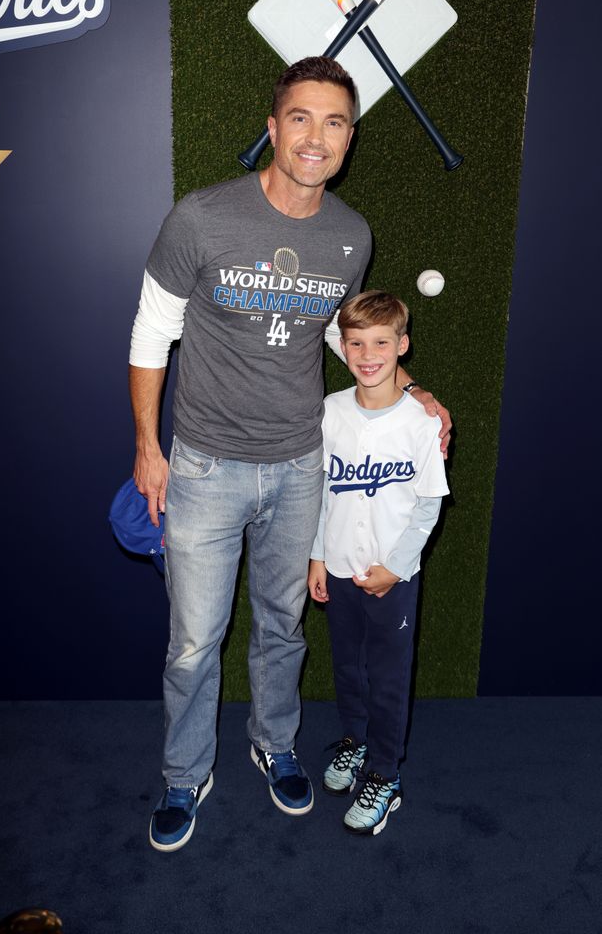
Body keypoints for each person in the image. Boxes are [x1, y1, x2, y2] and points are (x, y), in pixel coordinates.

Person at [128, 56, 450, 852]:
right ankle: (184, 773)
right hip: (204, 465)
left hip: (302, 465)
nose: (316, 137)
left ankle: (273, 744)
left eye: (334, 122)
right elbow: (151, 334)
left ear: (350, 138)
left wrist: (414, 390)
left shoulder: (351, 236)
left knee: (283, 625)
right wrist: (147, 447)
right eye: (300, 118)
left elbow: (351, 341)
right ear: (273, 128)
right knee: (195, 640)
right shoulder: (202, 217)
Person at [307, 289, 449, 836]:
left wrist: (396, 566)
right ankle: (356, 741)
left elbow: (429, 504)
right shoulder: (331, 411)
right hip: (340, 568)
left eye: (381, 343)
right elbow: (322, 494)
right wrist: (318, 556)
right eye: (356, 343)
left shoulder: (421, 421)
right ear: (342, 347)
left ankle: (385, 774)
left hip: (394, 577)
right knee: (348, 668)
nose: (368, 355)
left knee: (388, 678)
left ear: (402, 345)